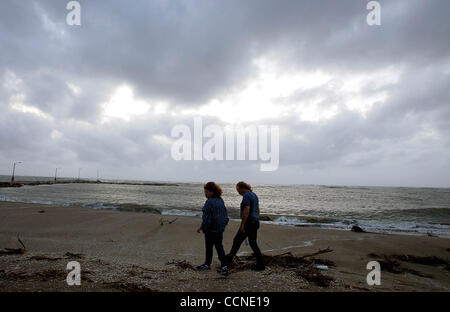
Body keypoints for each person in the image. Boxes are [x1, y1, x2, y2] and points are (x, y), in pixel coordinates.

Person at [226, 181, 265, 271]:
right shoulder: (254, 195)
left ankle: (229, 259)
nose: (238, 192)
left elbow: (246, 209)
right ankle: (260, 263)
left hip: (249, 222)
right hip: (255, 221)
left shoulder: (246, 196)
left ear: (242, 188)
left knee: (238, 240)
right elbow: (258, 209)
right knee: (251, 242)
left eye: (238, 189)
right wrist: (256, 219)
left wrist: (243, 224)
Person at [196, 182, 229, 275]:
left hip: (211, 229)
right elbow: (225, 215)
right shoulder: (220, 200)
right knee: (219, 247)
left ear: (212, 192)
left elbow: (207, 217)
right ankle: (224, 266)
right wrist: (223, 225)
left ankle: (207, 264)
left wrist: (203, 227)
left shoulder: (209, 202)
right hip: (219, 228)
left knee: (209, 247)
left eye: (206, 192)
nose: (205, 194)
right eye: (205, 192)